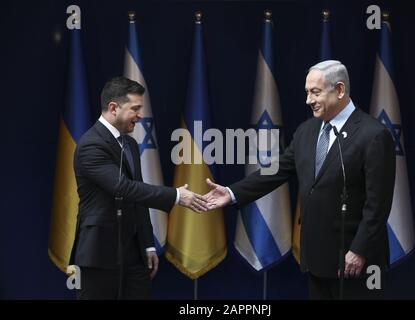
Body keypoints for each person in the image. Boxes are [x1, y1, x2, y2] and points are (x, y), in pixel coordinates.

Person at [204, 60, 396, 299]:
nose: (308, 100)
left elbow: (378, 205)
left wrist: (359, 250)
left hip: (355, 261)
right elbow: (276, 171)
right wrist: (232, 193)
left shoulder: (374, 135)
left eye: (315, 92)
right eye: (307, 93)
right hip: (316, 258)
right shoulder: (307, 131)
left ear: (339, 90)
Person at [70, 76, 207, 300]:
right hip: (99, 253)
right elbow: (123, 188)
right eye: (135, 108)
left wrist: (147, 245)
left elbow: (138, 195)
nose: (140, 115)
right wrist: (176, 196)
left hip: (134, 254)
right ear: (113, 108)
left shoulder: (130, 143)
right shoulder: (90, 145)